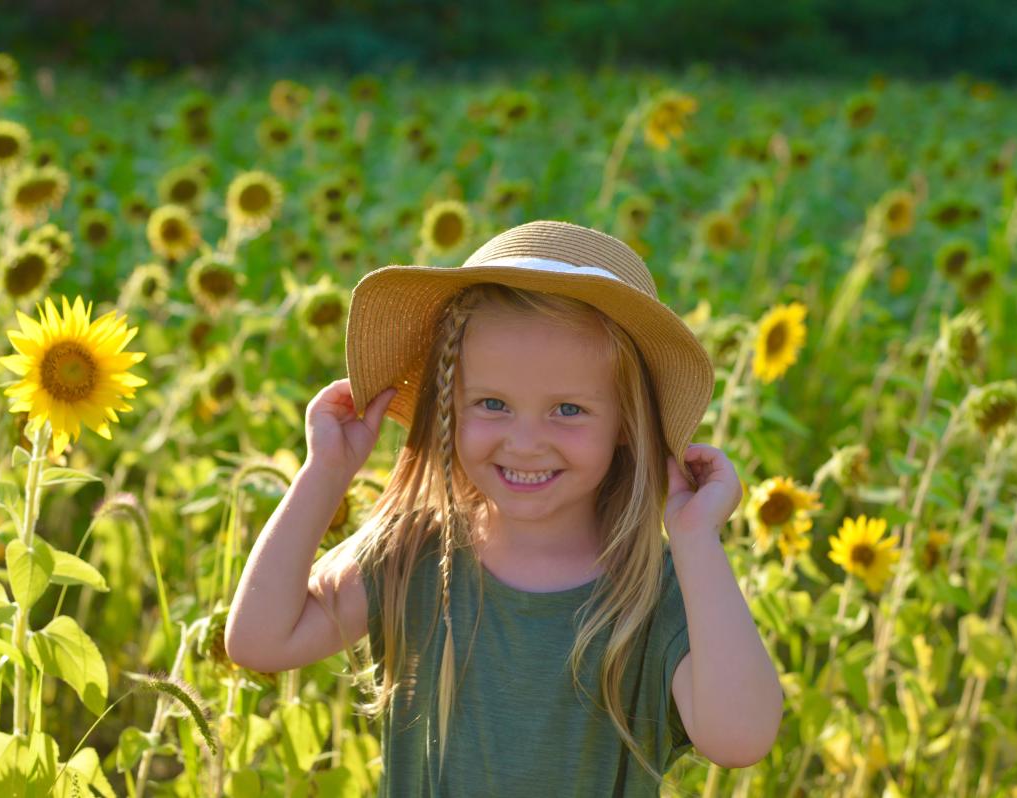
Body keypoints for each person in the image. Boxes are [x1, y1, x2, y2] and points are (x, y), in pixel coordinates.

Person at [226, 220, 784, 796]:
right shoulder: (414, 553)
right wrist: (326, 473)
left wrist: (695, 538)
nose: (524, 442)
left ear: (626, 422)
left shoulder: (651, 589)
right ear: (449, 408)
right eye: (493, 403)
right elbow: (259, 640)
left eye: (567, 410)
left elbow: (739, 738)